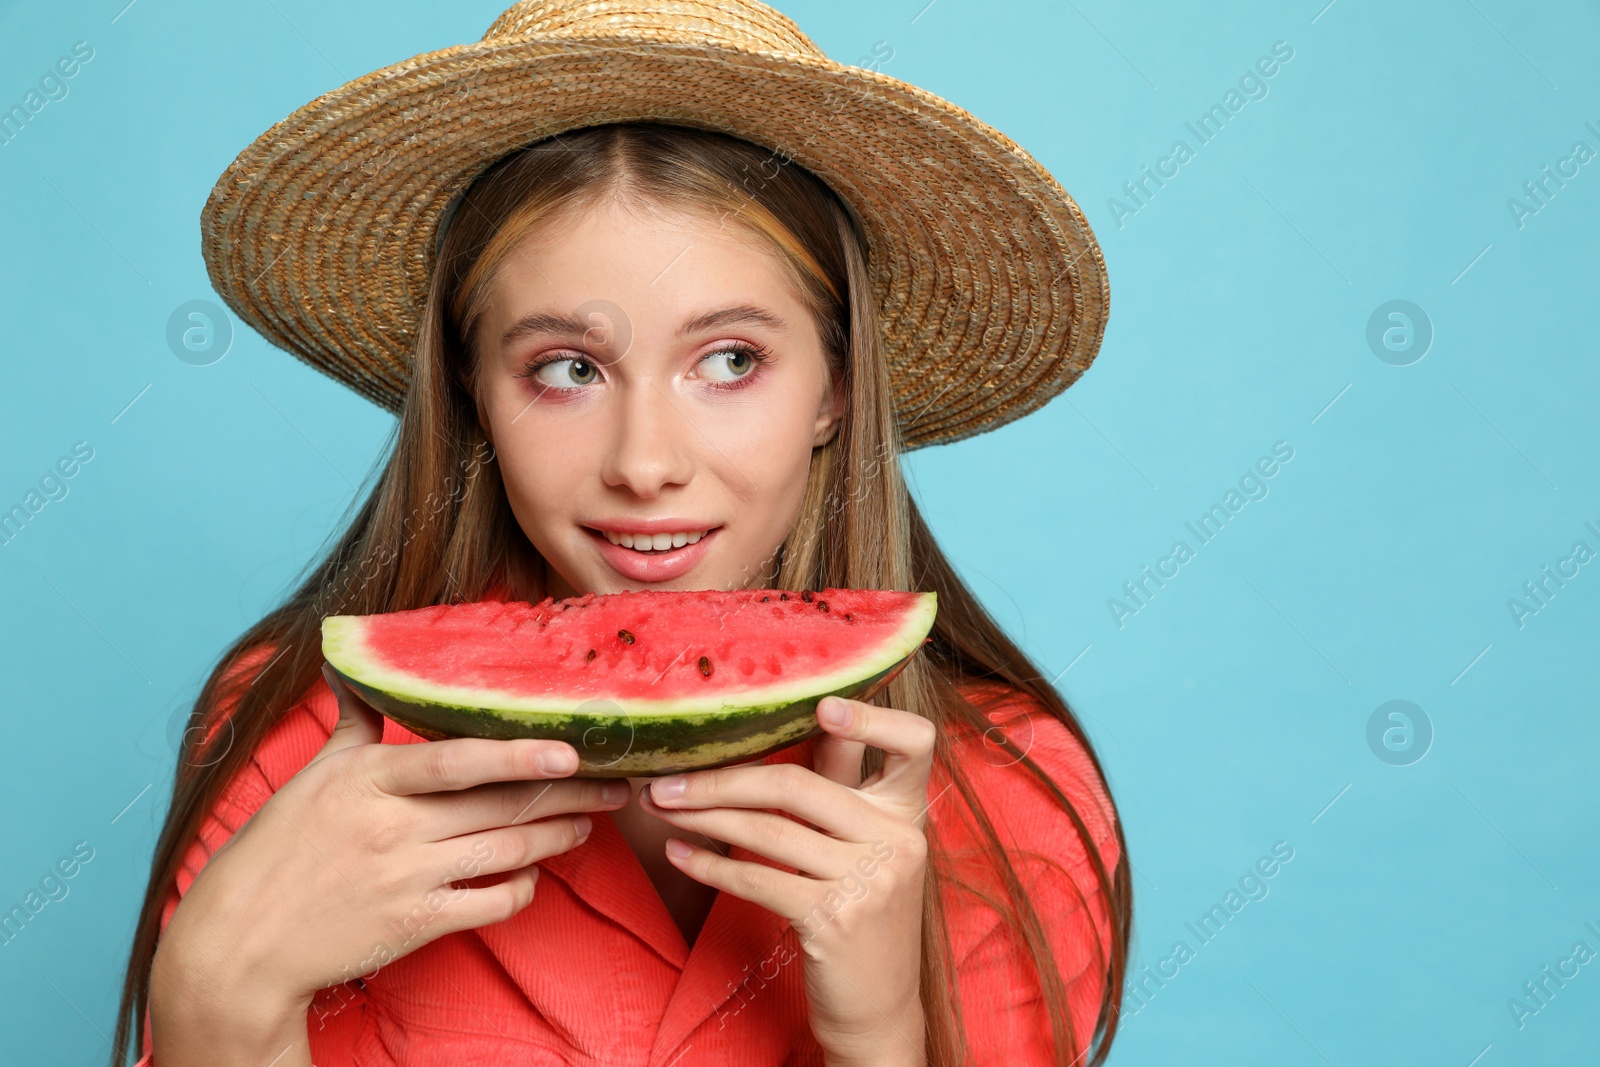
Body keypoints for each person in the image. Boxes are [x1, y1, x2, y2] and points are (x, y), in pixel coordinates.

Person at [114, 2, 1126, 1064]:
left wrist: (879, 1031)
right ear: (476, 393)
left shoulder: (1009, 802)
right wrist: (214, 991)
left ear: (837, 386)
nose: (644, 462)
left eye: (730, 359)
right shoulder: (293, 741)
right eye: (567, 368)